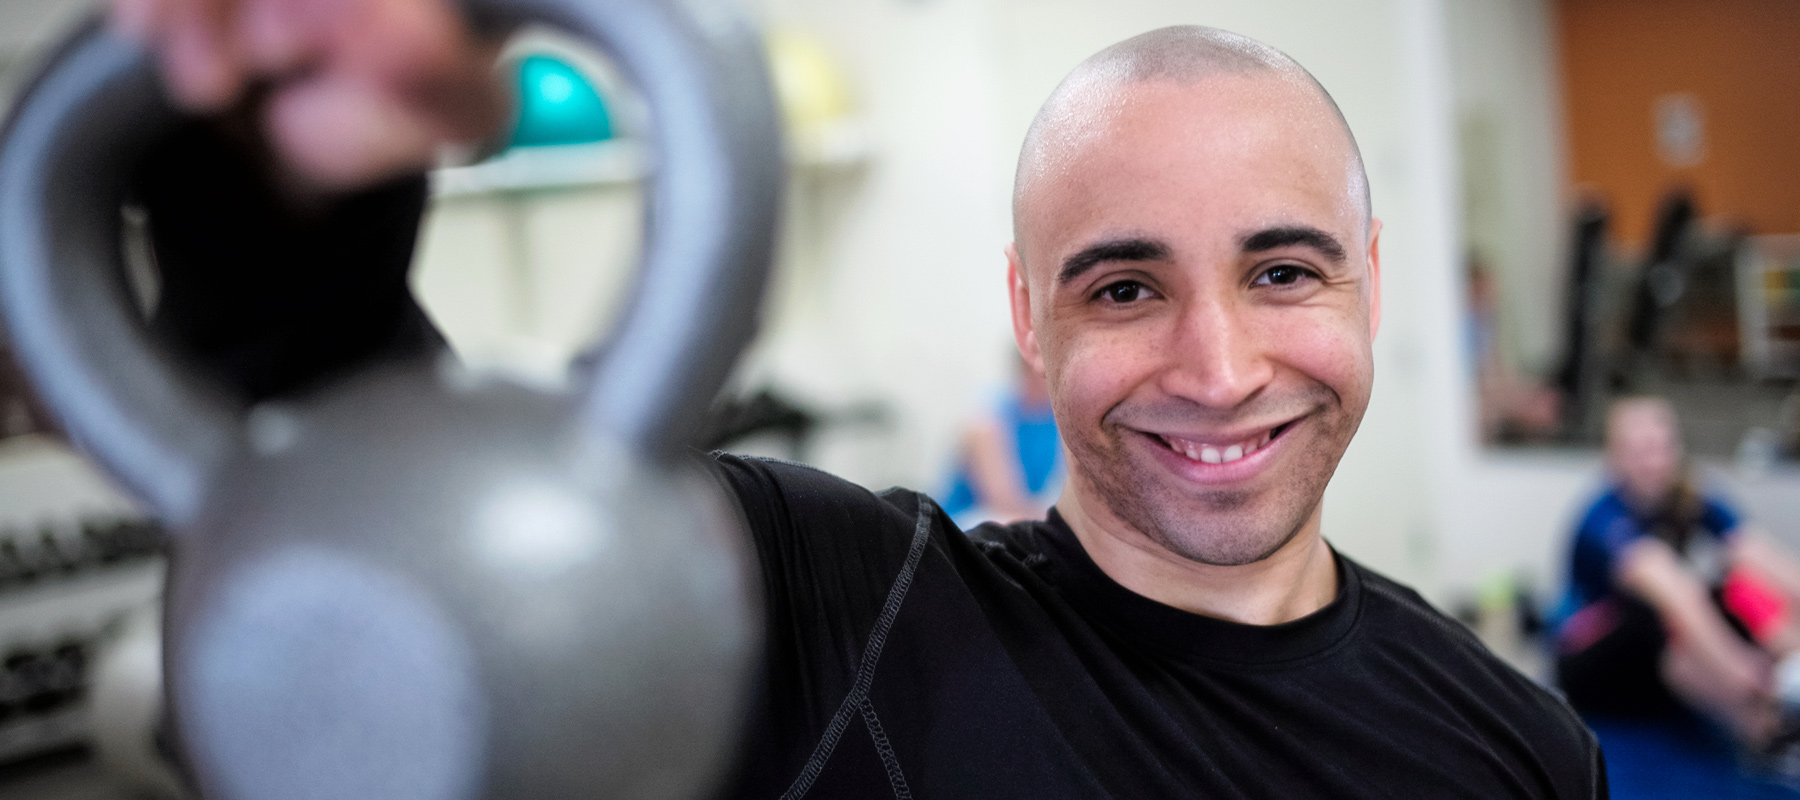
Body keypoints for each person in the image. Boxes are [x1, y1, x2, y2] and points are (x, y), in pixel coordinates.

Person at [111, 2, 1605, 796]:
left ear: (1371, 282)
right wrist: (287, 180)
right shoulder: (828, 601)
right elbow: (403, 550)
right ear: (1030, 315)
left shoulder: (1522, 753)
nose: (1217, 370)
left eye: (1283, 272)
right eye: (1125, 288)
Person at [1557, 398, 1800, 751]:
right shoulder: (1604, 518)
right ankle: (1766, 725)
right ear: (1615, 457)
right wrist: (1751, 676)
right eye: (1639, 450)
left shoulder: (1689, 495)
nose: (1654, 462)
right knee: (1663, 617)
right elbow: (1671, 590)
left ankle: (1779, 703)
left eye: (1661, 447)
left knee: (1739, 582)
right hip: (1590, 660)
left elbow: (1754, 550)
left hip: (1655, 654)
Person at [938, 354, 1063, 527]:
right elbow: (1001, 499)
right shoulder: (989, 416)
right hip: (967, 520)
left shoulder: (1055, 420)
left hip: (1021, 515)